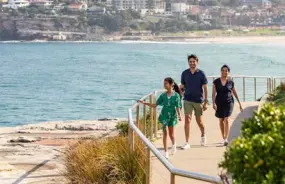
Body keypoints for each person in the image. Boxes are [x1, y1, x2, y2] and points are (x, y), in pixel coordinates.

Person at [138, 77, 182, 159]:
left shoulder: (176, 96)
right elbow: (155, 105)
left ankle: (173, 144)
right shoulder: (163, 95)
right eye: (164, 83)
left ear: (171, 84)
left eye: (166, 83)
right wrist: (145, 103)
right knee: (165, 133)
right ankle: (166, 152)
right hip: (164, 115)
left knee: (171, 134)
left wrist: (179, 115)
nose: (164, 85)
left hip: (172, 116)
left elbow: (177, 106)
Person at [180, 54, 208, 149]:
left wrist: (205, 102)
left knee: (199, 121)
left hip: (198, 100)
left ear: (197, 62)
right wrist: (180, 92)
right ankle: (187, 142)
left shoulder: (201, 74)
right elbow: (182, 86)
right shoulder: (184, 73)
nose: (192, 63)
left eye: (193, 61)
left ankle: (203, 135)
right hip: (187, 99)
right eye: (190, 62)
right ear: (188, 63)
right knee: (187, 120)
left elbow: (205, 88)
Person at [212, 65, 243, 146]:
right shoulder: (216, 82)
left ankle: (226, 138)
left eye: (226, 71)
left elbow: (235, 93)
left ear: (228, 72)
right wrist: (213, 103)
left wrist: (239, 103)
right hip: (219, 103)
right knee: (221, 121)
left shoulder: (231, 82)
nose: (224, 72)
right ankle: (223, 137)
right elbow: (213, 93)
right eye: (223, 70)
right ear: (221, 71)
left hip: (229, 103)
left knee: (226, 119)